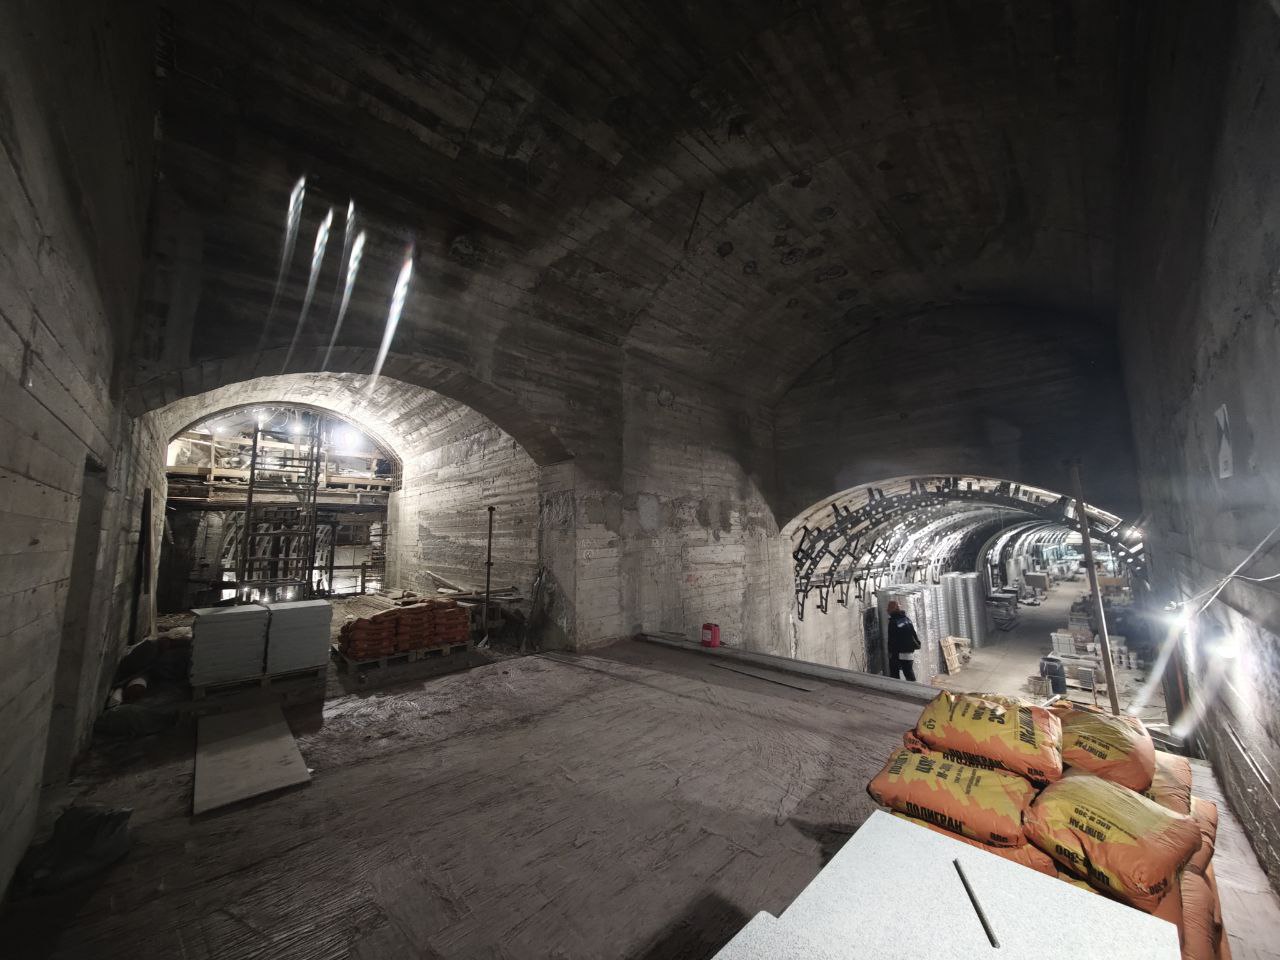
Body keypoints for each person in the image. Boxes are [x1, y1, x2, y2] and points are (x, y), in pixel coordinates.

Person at [886, 600, 921, 681]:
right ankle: (913, 687)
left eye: (888, 608)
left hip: (899, 653)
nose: (887, 610)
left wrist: (890, 653)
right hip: (909, 652)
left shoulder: (893, 622)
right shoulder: (906, 619)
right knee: (909, 673)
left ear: (893, 609)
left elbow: (892, 640)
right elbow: (913, 633)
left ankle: (898, 688)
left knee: (895, 675)